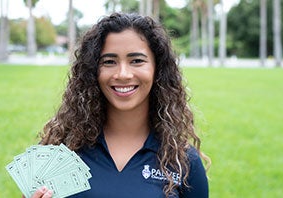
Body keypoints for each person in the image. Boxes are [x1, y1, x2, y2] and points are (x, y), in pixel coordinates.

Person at [32, 12, 210, 198]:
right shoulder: (60, 150)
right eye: (109, 62)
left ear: (157, 69)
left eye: (137, 61)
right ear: (93, 71)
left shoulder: (184, 161)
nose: (123, 74)